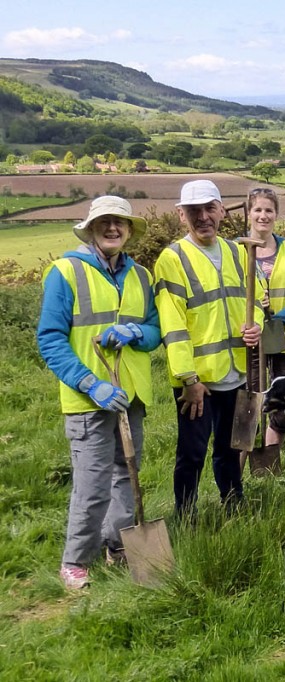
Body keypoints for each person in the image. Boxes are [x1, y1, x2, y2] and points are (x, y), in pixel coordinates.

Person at [38, 196, 160, 590]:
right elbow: (51, 339)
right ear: (91, 228)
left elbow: (155, 330)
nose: (113, 228)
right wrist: (91, 383)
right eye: (104, 222)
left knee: (126, 474)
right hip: (89, 397)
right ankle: (76, 560)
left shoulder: (141, 275)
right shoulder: (65, 272)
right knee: (92, 483)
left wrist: (137, 332)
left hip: (131, 396)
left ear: (128, 230)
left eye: (120, 223)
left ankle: (118, 545)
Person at [154, 179, 262, 517]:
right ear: (181, 215)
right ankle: (185, 516)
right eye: (194, 211)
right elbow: (172, 325)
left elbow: (254, 297)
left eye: (208, 209)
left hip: (236, 372)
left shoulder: (235, 251)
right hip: (198, 382)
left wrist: (255, 324)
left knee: (230, 449)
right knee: (192, 452)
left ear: (220, 210)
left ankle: (233, 506)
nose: (203, 217)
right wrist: (189, 380)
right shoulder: (172, 259)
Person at [246, 187, 285, 459]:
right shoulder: (237, 251)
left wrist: (276, 319)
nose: (263, 216)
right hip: (249, 340)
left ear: (276, 214)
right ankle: (242, 461)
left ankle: (271, 459)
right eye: (258, 210)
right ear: (249, 213)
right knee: (249, 402)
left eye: (269, 210)